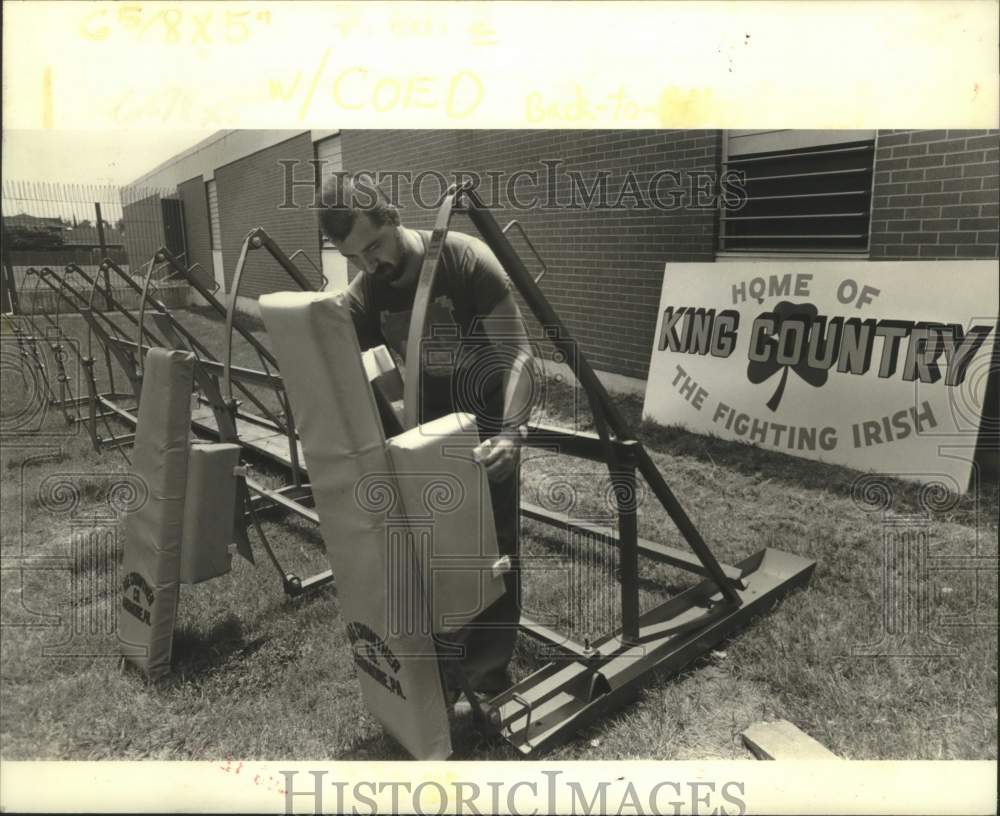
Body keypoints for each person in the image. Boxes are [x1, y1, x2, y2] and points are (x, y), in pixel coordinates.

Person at [317, 173, 535, 700]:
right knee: (433, 547)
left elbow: (520, 355)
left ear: (392, 216)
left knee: (491, 546)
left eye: (374, 247)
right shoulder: (369, 289)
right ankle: (445, 656)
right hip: (427, 432)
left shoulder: (464, 260)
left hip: (484, 428)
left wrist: (510, 432)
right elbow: (342, 359)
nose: (371, 265)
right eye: (357, 258)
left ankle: (486, 677)